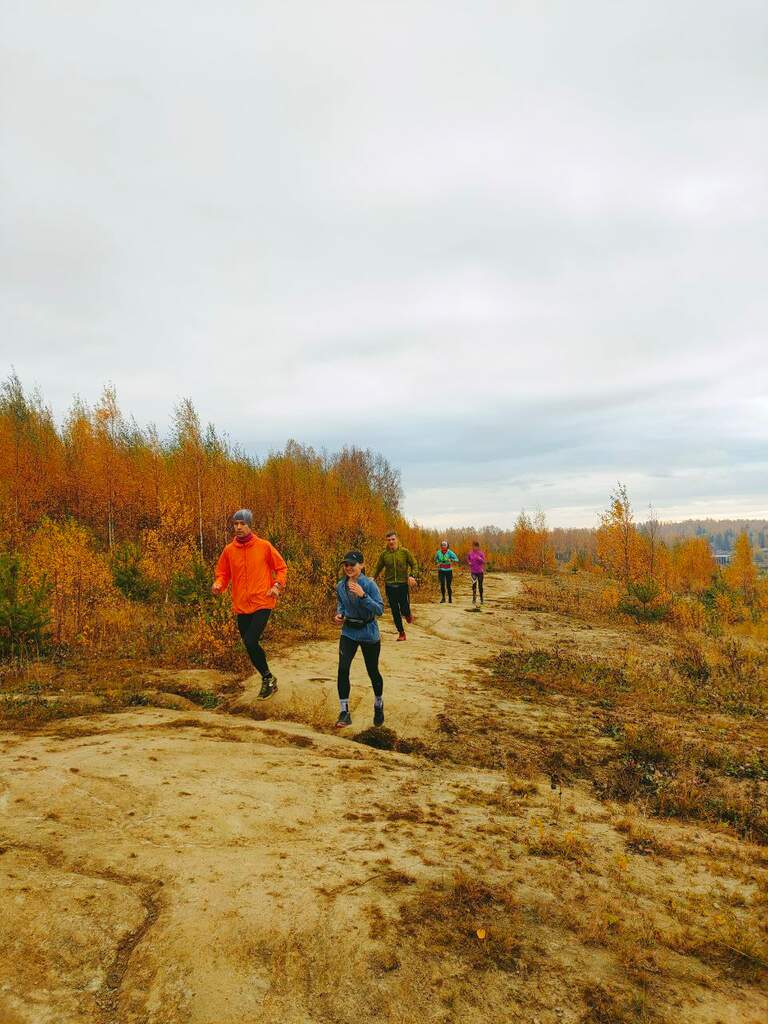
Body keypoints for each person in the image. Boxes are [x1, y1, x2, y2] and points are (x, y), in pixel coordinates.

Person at [211, 509, 287, 699]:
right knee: (249, 645)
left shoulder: (264, 546)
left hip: (263, 601)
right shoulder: (229, 550)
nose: (238, 527)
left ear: (250, 525)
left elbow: (281, 567)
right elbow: (223, 573)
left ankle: (267, 680)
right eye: (235, 524)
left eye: (242, 524)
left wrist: (277, 585)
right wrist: (219, 584)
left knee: (250, 640)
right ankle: (268, 677)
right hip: (241, 605)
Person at [334, 550, 385, 728]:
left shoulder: (369, 584)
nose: (348, 568)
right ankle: (344, 712)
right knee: (342, 668)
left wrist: (363, 596)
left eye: (352, 565)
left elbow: (380, 610)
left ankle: (378, 704)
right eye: (346, 565)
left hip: (369, 632)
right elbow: (341, 604)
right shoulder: (340, 586)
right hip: (349, 632)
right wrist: (339, 614)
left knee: (372, 671)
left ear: (361, 566)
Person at [372, 530, 418, 641]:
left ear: (397, 539)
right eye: (389, 540)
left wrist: (412, 576)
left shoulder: (404, 552)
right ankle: (401, 633)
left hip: (402, 585)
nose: (391, 542)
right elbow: (378, 567)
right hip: (390, 585)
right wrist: (373, 577)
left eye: (393, 539)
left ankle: (407, 614)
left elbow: (414, 564)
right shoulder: (384, 554)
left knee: (404, 608)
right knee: (394, 610)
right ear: (386, 541)